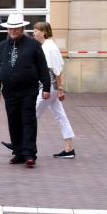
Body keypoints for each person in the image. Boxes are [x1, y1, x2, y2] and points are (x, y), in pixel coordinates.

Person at [0, 14, 51, 168]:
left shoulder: (33, 45)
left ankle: (30, 153)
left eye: (16, 28)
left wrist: (46, 86)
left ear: (22, 28)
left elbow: (42, 66)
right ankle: (18, 153)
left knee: (28, 120)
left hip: (28, 90)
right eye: (10, 28)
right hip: (9, 92)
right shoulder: (1, 46)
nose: (13, 31)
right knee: (13, 121)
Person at [32, 22, 76, 157]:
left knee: (31, 115)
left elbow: (57, 70)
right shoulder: (46, 46)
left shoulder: (49, 47)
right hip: (51, 88)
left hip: (49, 88)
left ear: (43, 32)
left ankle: (20, 144)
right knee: (61, 116)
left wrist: (60, 90)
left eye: (35, 30)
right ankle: (69, 148)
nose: (33, 33)